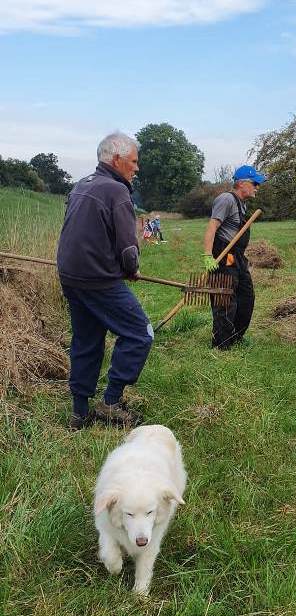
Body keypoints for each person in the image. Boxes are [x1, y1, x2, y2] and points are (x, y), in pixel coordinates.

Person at [57, 132, 154, 430]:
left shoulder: (81, 184)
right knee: (140, 333)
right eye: (134, 162)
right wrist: (130, 269)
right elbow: (127, 246)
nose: (137, 169)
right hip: (98, 279)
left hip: (70, 276)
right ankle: (110, 403)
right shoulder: (116, 191)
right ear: (116, 159)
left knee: (86, 339)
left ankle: (79, 412)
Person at [202, 164, 267, 350]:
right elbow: (212, 227)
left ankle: (235, 337)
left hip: (237, 256)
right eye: (254, 183)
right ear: (241, 183)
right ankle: (221, 344)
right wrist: (207, 255)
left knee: (246, 296)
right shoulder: (226, 199)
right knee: (224, 299)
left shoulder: (241, 204)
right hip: (223, 256)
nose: (257, 187)